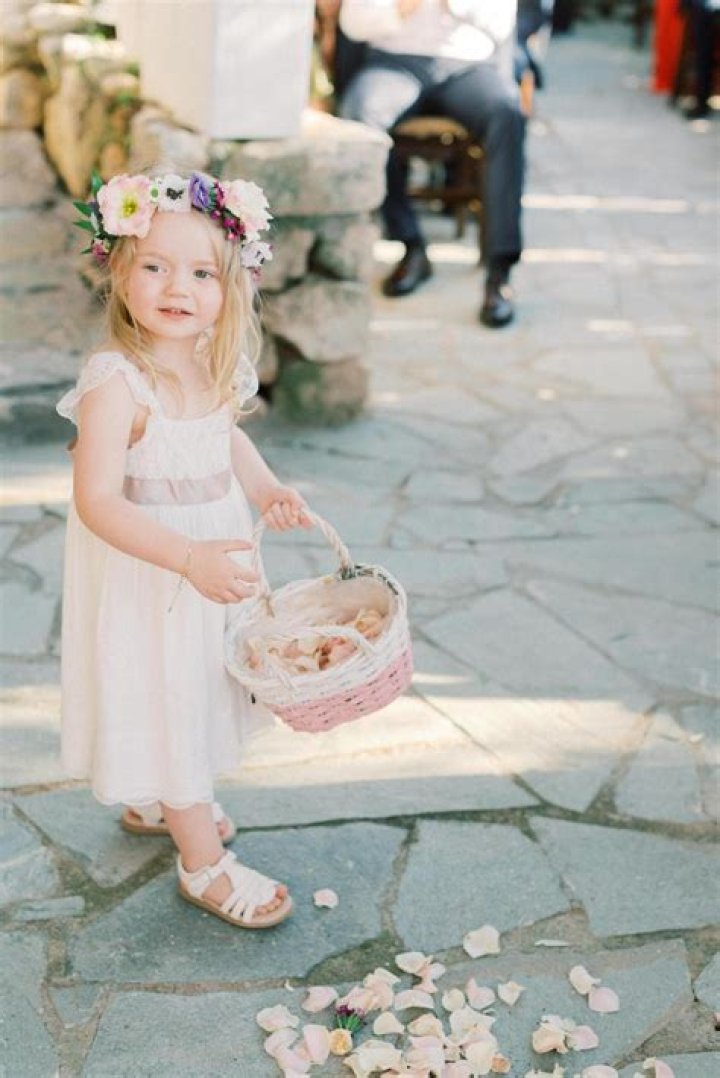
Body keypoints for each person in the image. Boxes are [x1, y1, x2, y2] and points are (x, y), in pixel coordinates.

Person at [56, 169, 312, 930]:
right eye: (156, 266)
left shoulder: (211, 360)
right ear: (119, 270)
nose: (179, 286)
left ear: (231, 285)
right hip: (157, 574)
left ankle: (155, 799)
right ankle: (202, 864)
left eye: (202, 272)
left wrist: (266, 490)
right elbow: (97, 499)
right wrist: (186, 559)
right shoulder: (116, 383)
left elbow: (224, 438)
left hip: (209, 567)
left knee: (194, 685)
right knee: (173, 702)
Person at [339, 0, 525, 328]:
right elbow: (352, 22)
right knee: (361, 112)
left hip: (469, 65)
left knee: (506, 113)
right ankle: (410, 243)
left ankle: (499, 272)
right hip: (394, 62)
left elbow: (503, 21)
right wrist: (401, 8)